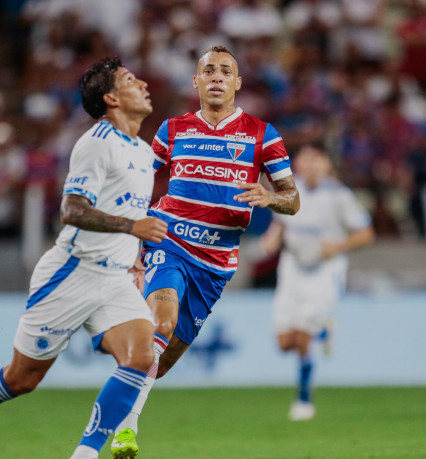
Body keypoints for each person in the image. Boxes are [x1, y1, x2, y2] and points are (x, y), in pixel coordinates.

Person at [0, 57, 168, 459]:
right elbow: (72, 210)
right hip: (72, 272)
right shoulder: (96, 143)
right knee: (22, 378)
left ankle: (85, 454)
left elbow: (129, 207)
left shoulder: (141, 150)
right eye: (130, 80)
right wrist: (131, 228)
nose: (143, 84)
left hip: (115, 278)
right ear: (111, 98)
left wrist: (134, 257)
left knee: (141, 355)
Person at [109, 45, 300, 458]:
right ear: (195, 81)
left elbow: (294, 199)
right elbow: (140, 180)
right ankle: (125, 431)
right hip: (170, 240)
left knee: (164, 358)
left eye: (225, 71)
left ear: (237, 83)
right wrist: (131, 239)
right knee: (162, 321)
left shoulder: (262, 134)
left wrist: (269, 197)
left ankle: (126, 376)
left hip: (217, 262)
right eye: (208, 70)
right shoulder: (173, 129)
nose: (216, 76)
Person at [259, 143, 375, 420]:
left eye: (317, 159)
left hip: (325, 270)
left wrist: (337, 247)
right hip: (293, 269)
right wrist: (272, 238)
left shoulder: (339, 196)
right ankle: (324, 329)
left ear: (327, 165)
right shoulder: (288, 190)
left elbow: (366, 233)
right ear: (297, 163)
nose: (310, 165)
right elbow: (280, 223)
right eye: (306, 159)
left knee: (302, 337)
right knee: (284, 343)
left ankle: (303, 400)